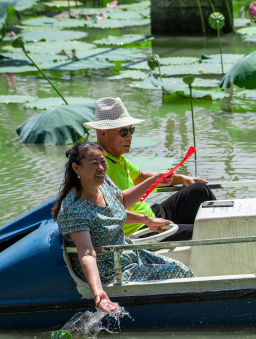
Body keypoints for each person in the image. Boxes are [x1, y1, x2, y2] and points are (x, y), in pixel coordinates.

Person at [54, 142, 195, 312]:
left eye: (103, 161)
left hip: (128, 251)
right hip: (110, 269)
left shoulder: (103, 182)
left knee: (181, 269)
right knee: (178, 273)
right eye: (94, 163)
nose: (101, 168)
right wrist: (98, 291)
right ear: (76, 168)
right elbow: (86, 252)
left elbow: (120, 204)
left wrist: (148, 218)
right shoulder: (74, 209)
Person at [85, 97, 215, 242]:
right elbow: (109, 211)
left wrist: (182, 179)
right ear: (103, 134)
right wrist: (147, 220)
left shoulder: (117, 157)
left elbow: (140, 177)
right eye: (124, 132)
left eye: (131, 130)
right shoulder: (98, 167)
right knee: (206, 230)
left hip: (152, 216)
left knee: (199, 190)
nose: (130, 136)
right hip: (137, 232)